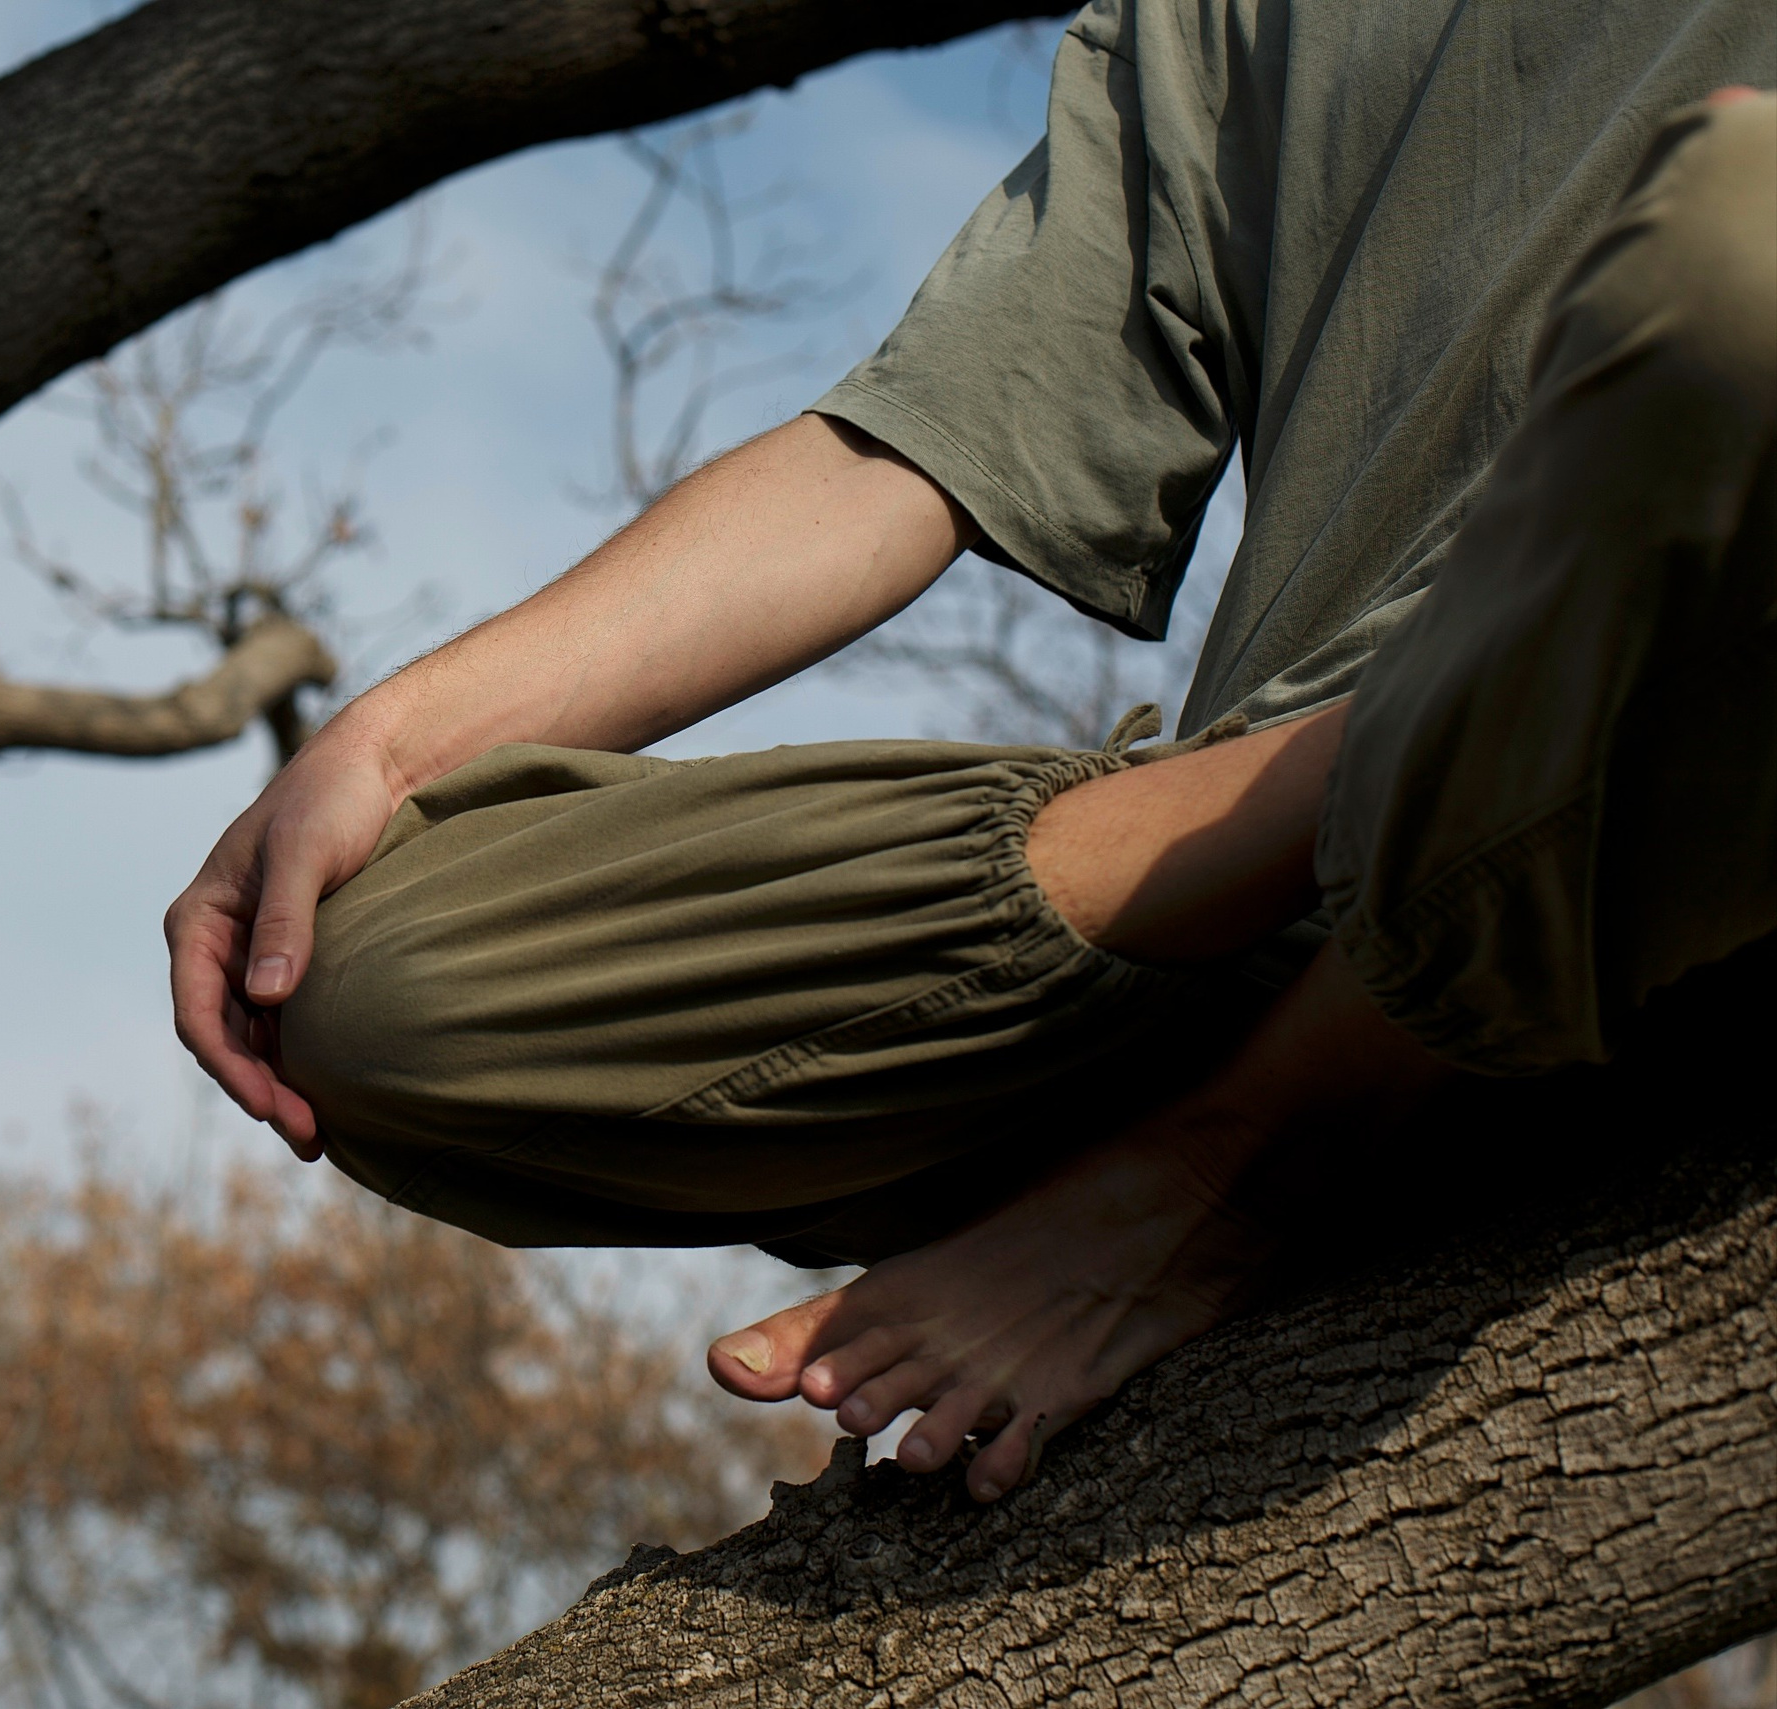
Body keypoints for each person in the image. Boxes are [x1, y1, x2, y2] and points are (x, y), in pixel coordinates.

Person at [168, 0, 1777, 1503]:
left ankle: (1238, 1155)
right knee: (374, 985)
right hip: (1278, 904)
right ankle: (1355, 786)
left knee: (1749, 251)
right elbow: (920, 446)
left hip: (1699, 880)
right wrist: (386, 744)